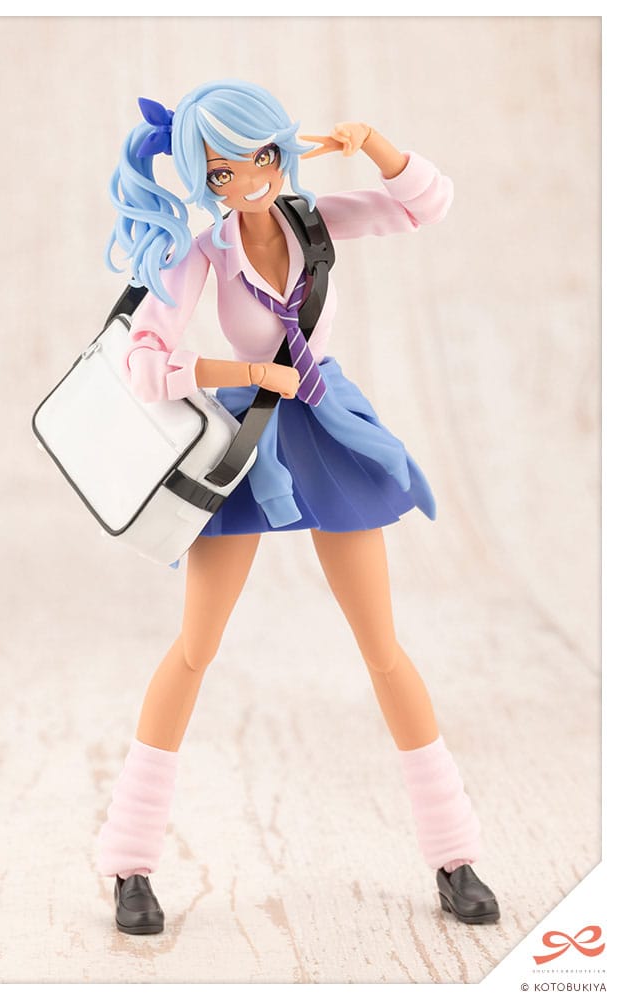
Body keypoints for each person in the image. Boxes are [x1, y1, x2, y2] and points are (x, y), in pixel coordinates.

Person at [96, 79, 500, 935]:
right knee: (195, 647)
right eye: (224, 171)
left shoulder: (312, 221)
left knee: (381, 646)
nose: (249, 181)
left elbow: (424, 205)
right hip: (244, 438)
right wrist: (244, 372)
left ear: (281, 149)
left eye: (261, 159)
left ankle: (454, 852)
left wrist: (376, 144)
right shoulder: (202, 252)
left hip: (324, 424)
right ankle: (128, 861)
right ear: (203, 179)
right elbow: (144, 363)